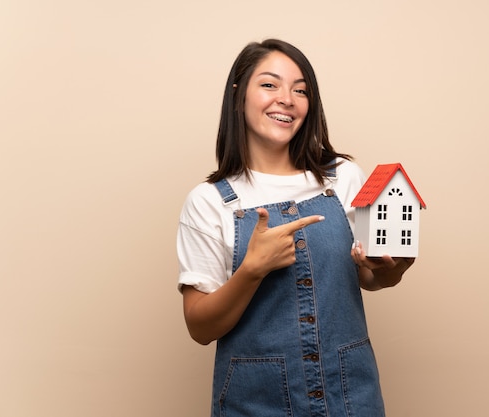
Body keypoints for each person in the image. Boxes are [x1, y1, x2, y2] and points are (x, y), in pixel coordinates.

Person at [177, 38, 415, 417]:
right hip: (254, 402)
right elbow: (200, 328)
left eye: (300, 89)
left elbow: (368, 277)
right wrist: (252, 270)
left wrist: (392, 271)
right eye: (269, 85)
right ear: (238, 96)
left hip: (350, 396)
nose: (286, 98)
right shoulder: (208, 202)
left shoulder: (344, 178)